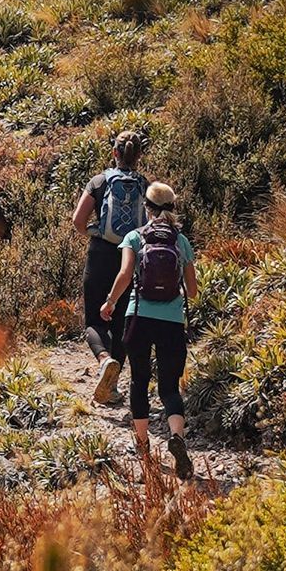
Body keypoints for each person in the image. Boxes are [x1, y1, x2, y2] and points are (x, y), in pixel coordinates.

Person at [100, 180, 198, 484]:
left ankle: (143, 449)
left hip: (138, 316)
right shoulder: (180, 241)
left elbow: (125, 274)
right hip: (171, 322)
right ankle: (177, 436)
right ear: (172, 208)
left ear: (148, 208)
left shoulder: (134, 237)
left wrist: (110, 302)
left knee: (139, 381)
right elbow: (193, 292)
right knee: (169, 387)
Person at [70, 130, 147, 398]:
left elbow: (78, 221)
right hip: (130, 257)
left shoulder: (100, 181)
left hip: (100, 253)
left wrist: (97, 232)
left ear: (114, 153)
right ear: (138, 156)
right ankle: (111, 387)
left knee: (93, 319)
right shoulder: (144, 184)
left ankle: (104, 361)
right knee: (121, 320)